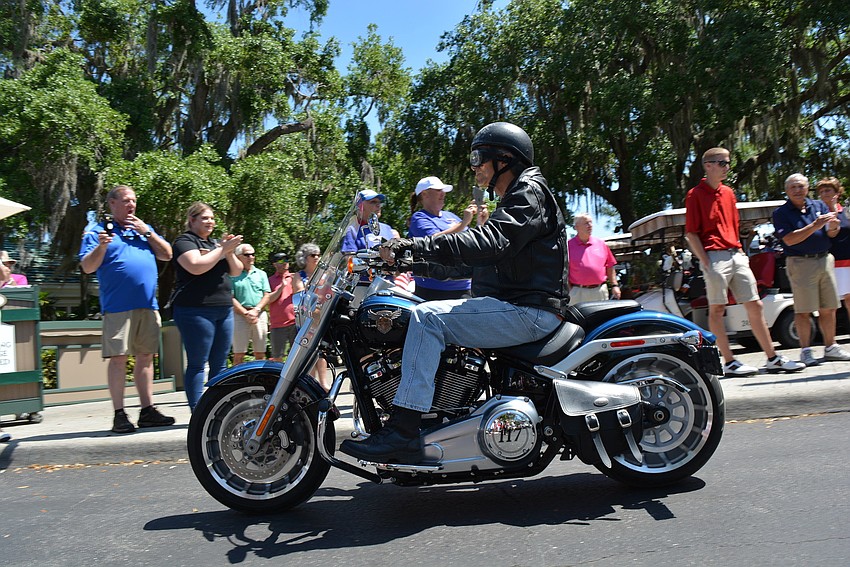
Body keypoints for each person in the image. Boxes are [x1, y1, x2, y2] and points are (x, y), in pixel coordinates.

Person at [340, 121, 569, 464]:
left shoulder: (529, 192)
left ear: (505, 158)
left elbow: (488, 242)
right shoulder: (517, 196)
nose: (473, 166)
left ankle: (404, 430)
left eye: (479, 157)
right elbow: (473, 264)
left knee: (428, 317)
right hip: (513, 305)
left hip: (530, 312)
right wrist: (407, 263)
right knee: (423, 311)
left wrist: (414, 246)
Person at [684, 148, 804, 377]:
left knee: (755, 304)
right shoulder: (695, 194)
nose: (727, 167)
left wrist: (740, 251)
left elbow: (734, 227)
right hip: (713, 255)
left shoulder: (728, 193)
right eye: (722, 163)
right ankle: (728, 362)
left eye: (728, 162)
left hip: (735, 253)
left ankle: (773, 358)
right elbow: (691, 234)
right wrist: (705, 262)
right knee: (717, 308)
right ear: (708, 165)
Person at [78, 185, 175, 433]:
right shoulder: (97, 233)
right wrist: (101, 246)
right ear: (112, 204)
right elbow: (87, 267)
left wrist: (148, 233)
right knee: (119, 359)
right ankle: (119, 414)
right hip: (118, 307)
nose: (131, 205)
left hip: (147, 305)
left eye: (133, 201)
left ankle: (147, 410)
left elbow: (167, 255)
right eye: (126, 201)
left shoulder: (144, 230)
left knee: (145, 358)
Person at [171, 202, 243, 410]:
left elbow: (237, 271)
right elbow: (195, 266)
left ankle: (218, 408)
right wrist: (222, 249)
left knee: (221, 364)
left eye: (212, 218)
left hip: (223, 309)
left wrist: (228, 251)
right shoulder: (184, 241)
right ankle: (198, 411)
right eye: (204, 218)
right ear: (192, 220)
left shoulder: (214, 244)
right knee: (197, 362)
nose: (210, 222)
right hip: (195, 310)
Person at [773, 174, 850, 367]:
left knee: (829, 307)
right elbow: (789, 239)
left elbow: (831, 233)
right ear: (787, 190)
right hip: (800, 263)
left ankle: (831, 346)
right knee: (803, 310)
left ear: (807, 188)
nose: (797, 190)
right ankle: (806, 351)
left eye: (801, 186)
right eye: (793, 187)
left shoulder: (818, 206)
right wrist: (815, 225)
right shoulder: (781, 213)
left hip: (824, 259)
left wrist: (833, 227)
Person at [407, 176, 488, 301]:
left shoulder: (451, 216)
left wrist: (480, 223)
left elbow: (471, 243)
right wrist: (463, 224)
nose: (443, 194)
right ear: (425, 194)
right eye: (438, 190)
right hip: (434, 291)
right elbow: (433, 242)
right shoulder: (419, 218)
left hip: (465, 288)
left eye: (443, 190)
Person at [293, 243, 332, 390]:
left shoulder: (325, 275)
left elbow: (329, 294)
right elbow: (299, 291)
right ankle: (310, 383)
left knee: (321, 350)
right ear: (305, 258)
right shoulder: (298, 275)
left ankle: (323, 383)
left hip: (321, 316)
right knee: (307, 351)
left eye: (318, 254)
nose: (317, 257)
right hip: (305, 318)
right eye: (313, 255)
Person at [230, 243, 271, 365]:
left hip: (259, 314)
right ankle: (237, 382)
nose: (251, 257)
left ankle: (261, 380)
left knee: (260, 353)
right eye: (247, 254)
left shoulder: (261, 274)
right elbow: (230, 297)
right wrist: (245, 313)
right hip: (239, 315)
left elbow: (267, 295)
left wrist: (256, 310)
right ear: (238, 256)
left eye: (253, 254)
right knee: (238, 354)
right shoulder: (232, 275)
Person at [567, 213, 621, 302]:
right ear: (576, 227)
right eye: (586, 223)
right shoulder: (568, 246)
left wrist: (615, 285)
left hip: (600, 291)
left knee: (602, 316)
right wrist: (569, 290)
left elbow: (610, 266)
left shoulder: (601, 244)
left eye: (591, 223)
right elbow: (563, 270)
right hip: (577, 292)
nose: (590, 226)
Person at [817, 177, 850, 316]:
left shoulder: (847, 212)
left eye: (828, 190)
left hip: (847, 263)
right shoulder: (818, 215)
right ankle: (830, 338)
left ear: (837, 193)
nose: (825, 193)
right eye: (822, 191)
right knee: (829, 306)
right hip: (828, 264)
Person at [267, 252, 297, 362]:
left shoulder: (295, 277)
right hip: (277, 324)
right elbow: (268, 299)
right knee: (277, 357)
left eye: (286, 260)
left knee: (297, 355)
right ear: (274, 264)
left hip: (295, 323)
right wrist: (281, 287)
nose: (284, 263)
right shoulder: (269, 280)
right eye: (280, 261)